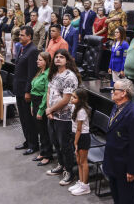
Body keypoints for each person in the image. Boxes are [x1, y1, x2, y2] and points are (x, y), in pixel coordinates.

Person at [103, 78, 134, 204]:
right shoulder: (116, 107)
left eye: (114, 89)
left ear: (124, 93)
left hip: (125, 168)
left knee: (127, 200)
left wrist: (132, 170)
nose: (112, 91)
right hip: (113, 163)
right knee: (117, 198)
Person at [45, 49, 80, 186]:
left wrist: (51, 109)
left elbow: (66, 99)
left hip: (64, 117)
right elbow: (49, 92)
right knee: (56, 143)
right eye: (56, 57)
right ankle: (61, 165)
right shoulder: (53, 73)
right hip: (52, 115)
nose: (58, 59)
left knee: (65, 146)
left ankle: (70, 172)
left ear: (67, 60)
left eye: (61, 57)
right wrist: (49, 110)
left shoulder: (70, 77)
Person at [13, 25, 40, 155]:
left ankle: (33, 144)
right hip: (19, 88)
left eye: (22, 35)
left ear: (29, 36)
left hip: (25, 90)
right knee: (23, 118)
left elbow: (31, 73)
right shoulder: (22, 48)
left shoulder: (33, 50)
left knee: (29, 118)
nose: (20, 37)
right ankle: (27, 140)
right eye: (19, 35)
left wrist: (28, 91)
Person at [30, 52, 53, 166]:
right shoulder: (40, 72)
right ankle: (42, 151)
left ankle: (48, 155)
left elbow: (45, 94)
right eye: (38, 59)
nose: (37, 61)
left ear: (46, 62)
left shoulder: (48, 74)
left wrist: (40, 109)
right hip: (35, 101)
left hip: (41, 103)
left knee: (44, 131)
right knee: (39, 130)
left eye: (40, 60)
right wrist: (31, 106)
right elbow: (33, 88)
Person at [69, 89, 91, 196]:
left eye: (74, 97)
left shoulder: (81, 110)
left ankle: (86, 186)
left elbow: (79, 129)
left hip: (82, 136)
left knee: (83, 161)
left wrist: (75, 142)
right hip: (76, 135)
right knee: (78, 161)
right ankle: (81, 182)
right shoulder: (74, 107)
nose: (71, 98)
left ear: (80, 100)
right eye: (72, 96)